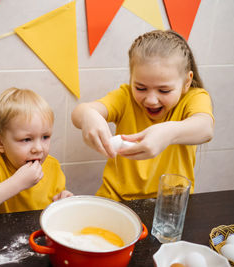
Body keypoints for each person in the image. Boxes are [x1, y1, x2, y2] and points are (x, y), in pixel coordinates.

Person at [71, 30, 214, 201]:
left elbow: (205, 128)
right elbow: (79, 113)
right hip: (116, 200)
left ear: (186, 82)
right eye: (140, 88)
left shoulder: (194, 97)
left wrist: (168, 133)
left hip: (171, 206)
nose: (151, 100)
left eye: (164, 90)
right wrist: (89, 115)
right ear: (132, 78)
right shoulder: (125, 98)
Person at [0, 87, 73, 214]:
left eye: (45, 137)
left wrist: (61, 201)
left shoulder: (53, 166)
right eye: (26, 139)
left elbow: (53, 208)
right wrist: (18, 183)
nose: (38, 148)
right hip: (1, 232)